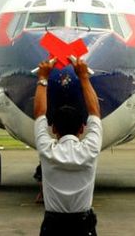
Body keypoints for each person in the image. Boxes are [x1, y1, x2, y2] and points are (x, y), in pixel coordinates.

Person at [34, 57, 102, 236]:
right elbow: (95, 111)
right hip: (83, 226)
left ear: (54, 128)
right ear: (82, 128)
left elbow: (40, 113)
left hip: (53, 226)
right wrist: (84, 77)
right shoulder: (90, 149)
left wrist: (43, 78)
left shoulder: (48, 150)